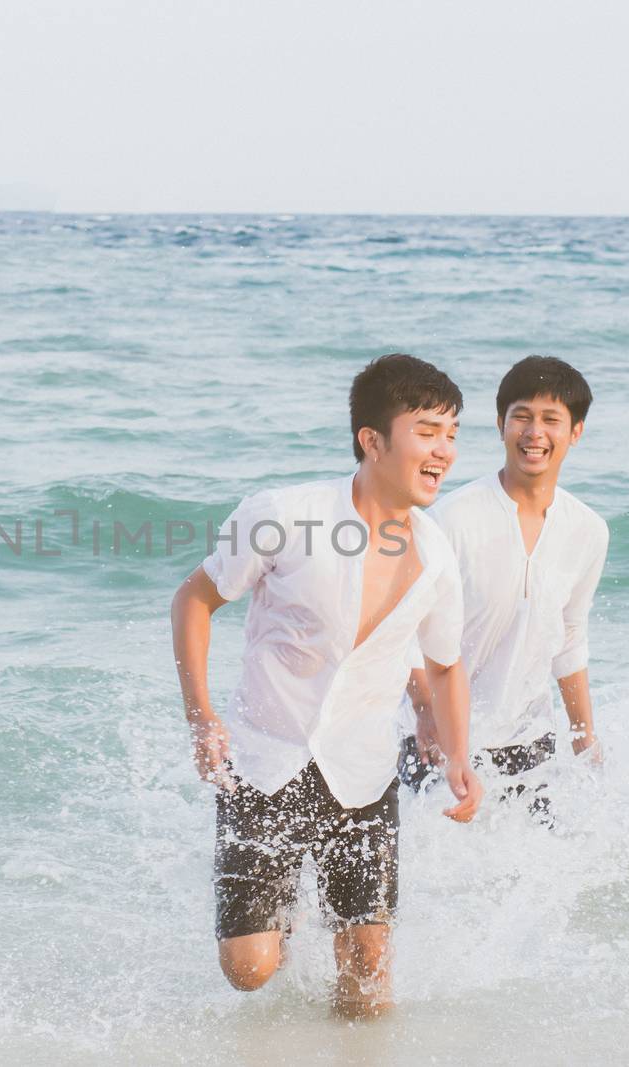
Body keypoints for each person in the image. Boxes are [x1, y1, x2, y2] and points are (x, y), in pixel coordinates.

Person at [170, 353, 483, 1019]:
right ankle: (277, 917)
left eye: (453, 433)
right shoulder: (284, 514)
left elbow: (446, 661)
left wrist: (457, 753)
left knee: (368, 983)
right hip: (262, 762)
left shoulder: (435, 553)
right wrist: (202, 717)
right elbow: (193, 602)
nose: (445, 451)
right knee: (250, 970)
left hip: (364, 771)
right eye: (428, 431)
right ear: (373, 440)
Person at [402, 356, 609, 820]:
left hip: (527, 743)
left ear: (575, 432)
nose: (534, 433)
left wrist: (583, 737)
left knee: (534, 878)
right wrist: (425, 711)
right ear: (501, 425)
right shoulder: (449, 519)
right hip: (435, 740)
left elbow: (570, 637)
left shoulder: (588, 531)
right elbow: (405, 632)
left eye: (551, 420)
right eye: (522, 417)